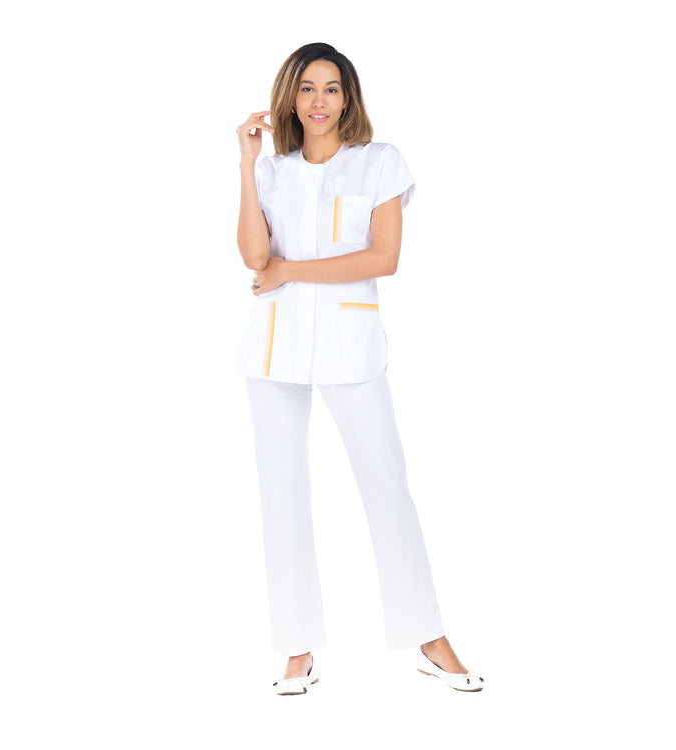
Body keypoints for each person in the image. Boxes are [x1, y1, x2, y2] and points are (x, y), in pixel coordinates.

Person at [235, 42, 484, 695]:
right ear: (290, 97)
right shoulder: (273, 171)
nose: (319, 101)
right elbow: (255, 257)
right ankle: (297, 650)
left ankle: (429, 638)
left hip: (351, 347)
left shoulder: (380, 162)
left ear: (348, 98)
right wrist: (246, 164)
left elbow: (383, 258)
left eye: (332, 88)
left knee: (386, 485)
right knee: (281, 494)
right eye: (307, 88)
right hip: (274, 348)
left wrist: (290, 270)